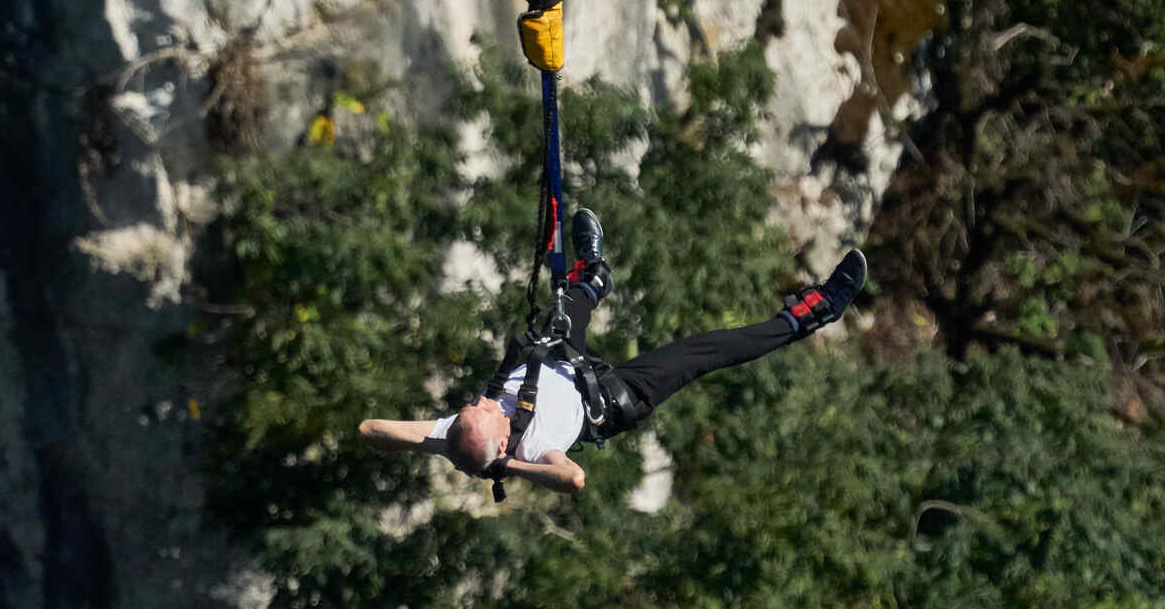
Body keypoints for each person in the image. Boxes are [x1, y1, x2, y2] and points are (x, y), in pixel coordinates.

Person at [357, 209, 867, 495]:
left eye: (473, 406)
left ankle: (594, 277)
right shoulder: (531, 452)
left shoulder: (457, 434)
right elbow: (573, 478)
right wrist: (504, 468)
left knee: (562, 311)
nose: (481, 402)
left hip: (557, 357)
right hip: (610, 399)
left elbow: (369, 431)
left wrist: (445, 445)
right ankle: (811, 315)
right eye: (484, 411)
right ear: (501, 438)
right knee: (704, 352)